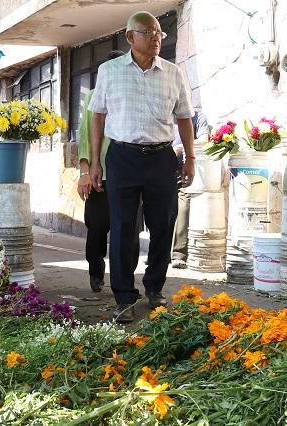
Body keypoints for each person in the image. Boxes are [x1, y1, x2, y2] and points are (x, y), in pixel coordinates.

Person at [88, 11, 195, 323]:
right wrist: (94, 162)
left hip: (162, 158)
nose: (157, 38)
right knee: (122, 228)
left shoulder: (174, 73)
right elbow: (98, 115)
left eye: (160, 33)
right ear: (130, 36)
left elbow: (185, 118)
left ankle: (155, 288)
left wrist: (190, 158)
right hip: (121, 157)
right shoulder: (109, 71)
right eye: (149, 32)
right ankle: (123, 296)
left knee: (163, 226)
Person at [77, 49, 141, 294]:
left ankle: (125, 277)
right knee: (97, 227)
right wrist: (85, 172)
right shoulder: (94, 95)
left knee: (130, 231)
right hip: (100, 174)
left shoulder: (134, 95)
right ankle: (96, 272)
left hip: (130, 173)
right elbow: (85, 137)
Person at [171, 110, 210, 269]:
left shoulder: (198, 116)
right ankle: (158, 252)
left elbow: (204, 140)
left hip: (183, 167)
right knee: (159, 208)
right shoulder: (162, 113)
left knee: (183, 206)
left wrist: (182, 148)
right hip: (159, 166)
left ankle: (178, 254)